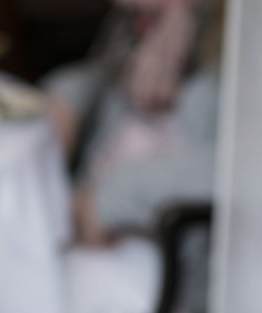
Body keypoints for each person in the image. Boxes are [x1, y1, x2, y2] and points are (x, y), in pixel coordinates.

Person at [44, 0, 222, 246]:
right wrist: (65, 96)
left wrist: (110, 197)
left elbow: (239, 169)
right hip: (96, 203)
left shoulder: (229, 35)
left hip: (162, 246)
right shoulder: (136, 21)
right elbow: (107, 72)